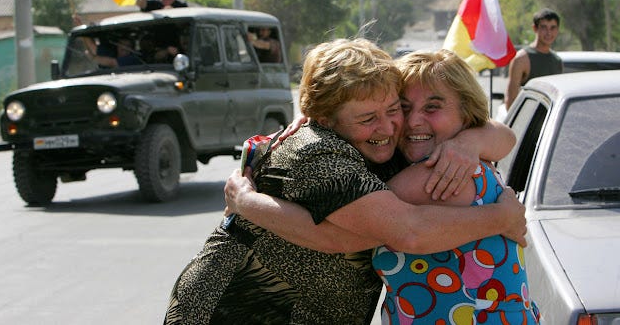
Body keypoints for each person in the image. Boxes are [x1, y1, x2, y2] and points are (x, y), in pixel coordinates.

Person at [163, 38, 526, 325]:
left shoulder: (410, 151)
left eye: (391, 109)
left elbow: (501, 134)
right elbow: (384, 233)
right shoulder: (317, 154)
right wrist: (501, 216)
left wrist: (470, 140)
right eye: (368, 116)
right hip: (237, 311)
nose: (392, 126)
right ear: (325, 118)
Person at [371, 49, 540, 323]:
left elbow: (342, 224)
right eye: (403, 108)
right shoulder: (473, 160)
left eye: (432, 107)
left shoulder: (442, 173)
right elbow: (505, 136)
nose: (413, 121)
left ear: (466, 113)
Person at [505, 8, 563, 109]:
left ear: (557, 30)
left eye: (553, 28)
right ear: (535, 28)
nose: (549, 33)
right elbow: (510, 100)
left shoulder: (557, 61)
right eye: (544, 27)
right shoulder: (522, 59)